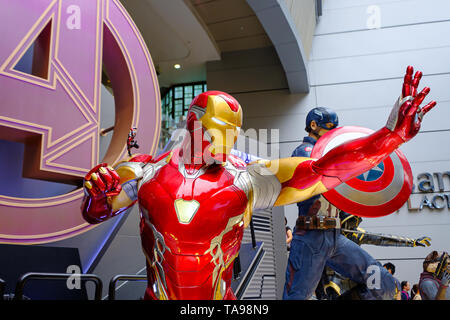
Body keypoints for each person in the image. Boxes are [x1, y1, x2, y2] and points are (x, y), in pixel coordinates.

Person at [82, 66, 436, 300]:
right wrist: (97, 196)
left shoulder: (246, 177)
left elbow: (323, 169)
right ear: (192, 123)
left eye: (232, 135)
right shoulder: (144, 171)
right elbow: (97, 211)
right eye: (218, 132)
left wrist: (389, 137)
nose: (226, 143)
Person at [283, 66, 436, 300]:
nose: (333, 132)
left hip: (335, 235)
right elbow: (329, 170)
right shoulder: (305, 151)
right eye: (329, 127)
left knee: (382, 281)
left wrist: (393, 135)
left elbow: (357, 163)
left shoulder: (330, 151)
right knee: (297, 296)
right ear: (313, 126)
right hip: (311, 235)